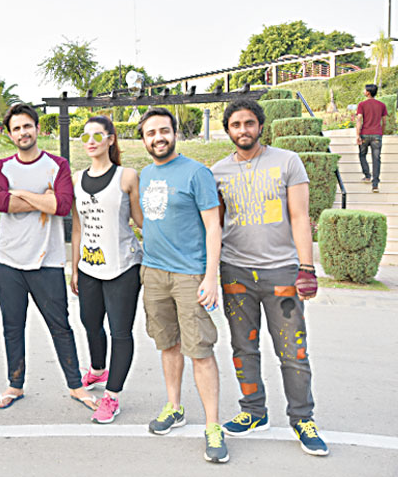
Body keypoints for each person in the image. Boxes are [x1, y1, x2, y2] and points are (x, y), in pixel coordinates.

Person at [212, 99, 326, 456]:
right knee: (243, 347)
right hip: (235, 271)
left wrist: (306, 267)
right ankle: (253, 411)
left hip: (281, 271)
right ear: (227, 130)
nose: (243, 130)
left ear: (260, 126)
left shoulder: (287, 161)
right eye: (235, 124)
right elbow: (215, 226)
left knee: (293, 351)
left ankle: (302, 418)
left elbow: (300, 216)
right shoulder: (217, 172)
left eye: (249, 123)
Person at [0, 103, 96, 411]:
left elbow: (62, 206)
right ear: (10, 135)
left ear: (37, 128)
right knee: (12, 327)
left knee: (60, 326)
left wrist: (20, 193)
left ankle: (76, 386)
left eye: (27, 126)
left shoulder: (57, 165)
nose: (23, 132)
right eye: (16, 128)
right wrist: (43, 199)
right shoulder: (3, 167)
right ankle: (15, 385)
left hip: (47, 262)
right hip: (9, 263)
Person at [137, 107, 227, 463]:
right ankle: (174, 407)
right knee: (168, 344)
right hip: (153, 273)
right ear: (144, 139)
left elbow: (214, 226)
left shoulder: (196, 172)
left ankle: (213, 425)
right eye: (151, 133)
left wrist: (211, 276)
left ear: (175, 133)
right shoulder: (145, 174)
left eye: (164, 130)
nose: (158, 138)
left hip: (190, 276)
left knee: (200, 350)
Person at [70, 116, 143, 424]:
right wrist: (74, 267)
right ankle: (98, 370)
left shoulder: (127, 176)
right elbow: (77, 227)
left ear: (111, 139)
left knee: (120, 331)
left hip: (123, 266)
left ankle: (111, 396)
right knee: (89, 322)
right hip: (89, 267)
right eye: (86, 135)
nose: (91, 141)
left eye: (98, 135)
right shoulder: (77, 178)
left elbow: (140, 221)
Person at [356, 83, 388, 193]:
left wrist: (357, 135)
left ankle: (367, 176)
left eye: (365, 90)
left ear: (368, 93)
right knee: (376, 159)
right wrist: (381, 133)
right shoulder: (382, 105)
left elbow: (359, 119)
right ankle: (375, 185)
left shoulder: (362, 105)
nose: (364, 91)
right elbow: (384, 122)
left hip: (364, 134)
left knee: (362, 155)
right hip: (377, 135)